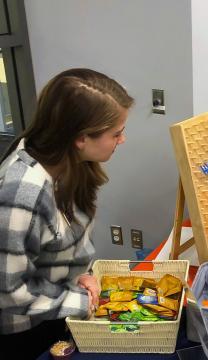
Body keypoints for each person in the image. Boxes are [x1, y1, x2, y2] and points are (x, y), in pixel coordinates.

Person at [0, 68, 134, 359]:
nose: (122, 140)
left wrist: (80, 274)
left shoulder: (70, 164)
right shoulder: (21, 193)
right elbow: (9, 292)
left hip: (54, 311)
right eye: (116, 133)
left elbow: (56, 245)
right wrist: (77, 301)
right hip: (25, 333)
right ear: (81, 138)